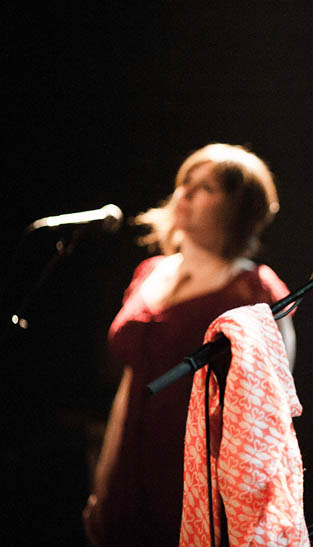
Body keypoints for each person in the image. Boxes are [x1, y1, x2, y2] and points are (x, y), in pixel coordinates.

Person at [82, 143, 296, 546]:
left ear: (240, 208)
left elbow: (273, 409)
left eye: (207, 187)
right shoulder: (149, 272)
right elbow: (130, 387)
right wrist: (103, 482)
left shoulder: (254, 289)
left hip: (198, 476)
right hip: (131, 469)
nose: (186, 193)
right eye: (185, 183)